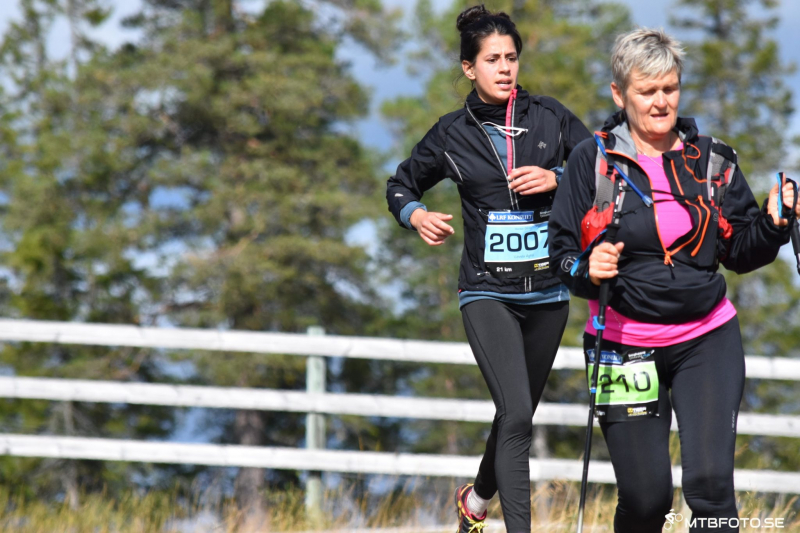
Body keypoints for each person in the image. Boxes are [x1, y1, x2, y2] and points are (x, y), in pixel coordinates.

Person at [548, 28, 799, 533]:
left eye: (670, 88)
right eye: (647, 91)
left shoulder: (712, 161)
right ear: (619, 94)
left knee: (710, 487)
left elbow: (740, 252)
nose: (661, 102)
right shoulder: (592, 162)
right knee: (646, 500)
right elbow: (560, 255)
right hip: (622, 344)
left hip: (707, 338)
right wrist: (586, 269)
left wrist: (773, 224)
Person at [386, 5, 591, 533]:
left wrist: (559, 177)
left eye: (511, 58)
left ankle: (475, 501)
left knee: (512, 415)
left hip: (548, 293)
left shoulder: (551, 117)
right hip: (486, 292)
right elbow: (400, 185)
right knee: (518, 415)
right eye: (492, 59)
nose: (505, 68)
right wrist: (417, 214)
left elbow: (605, 170)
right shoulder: (451, 133)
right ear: (469, 68)